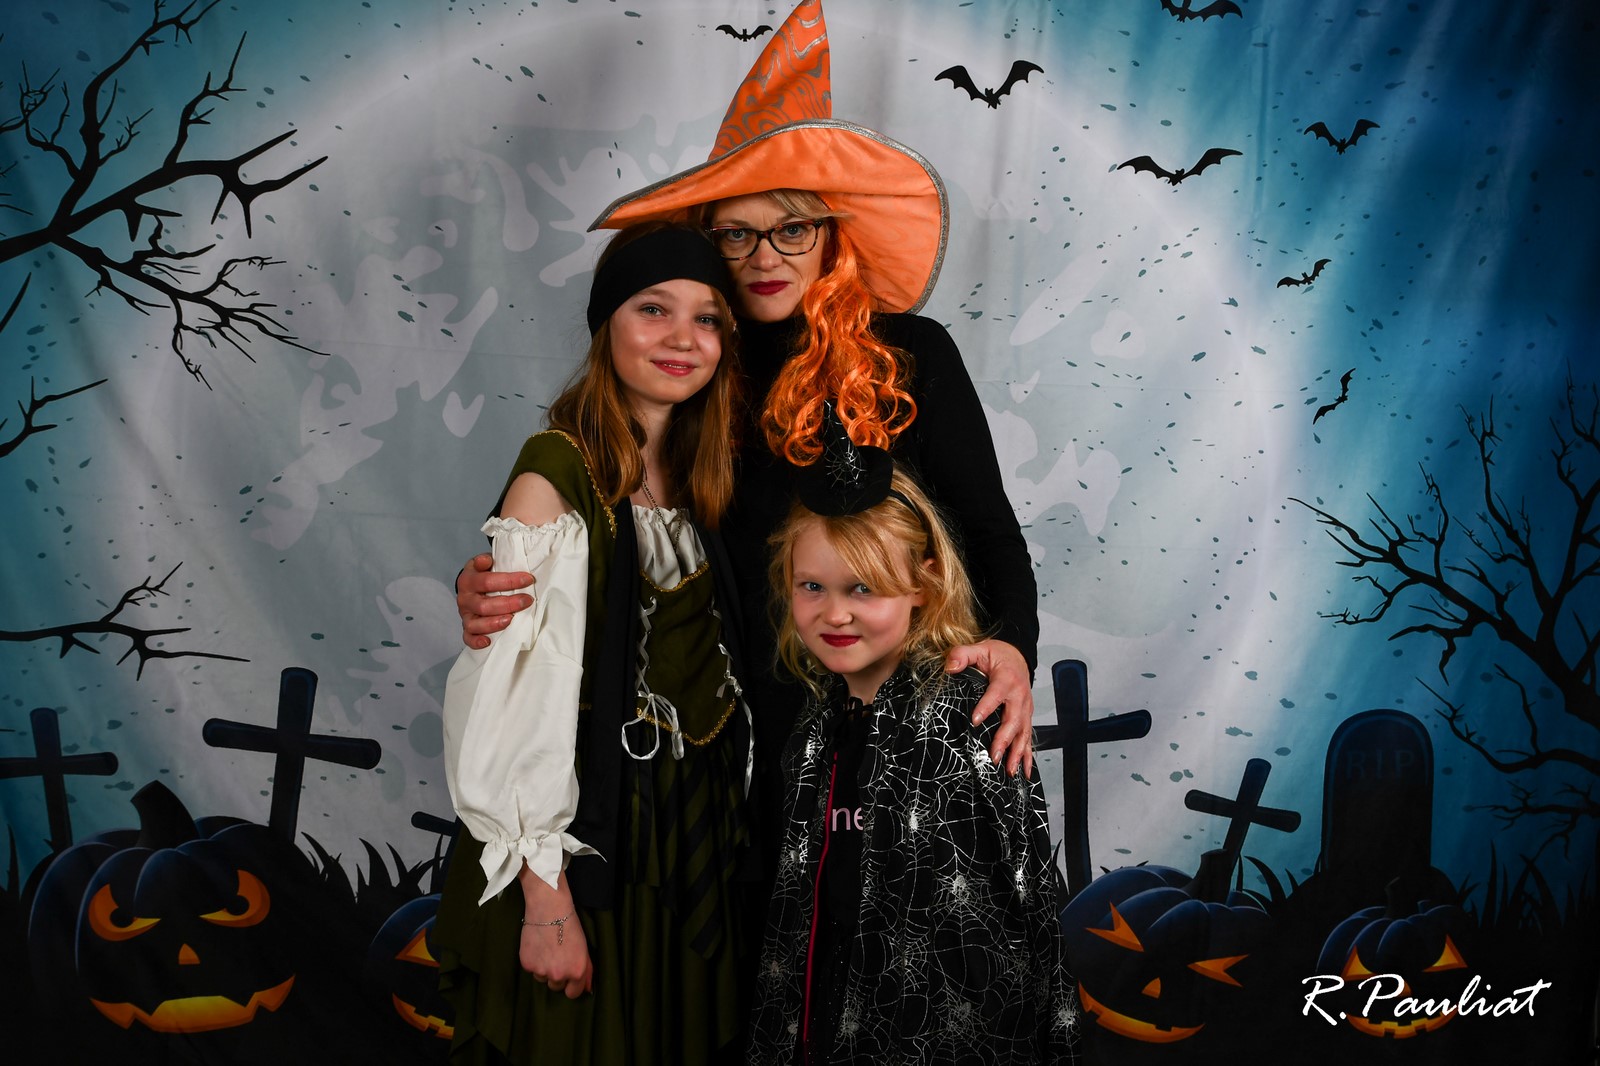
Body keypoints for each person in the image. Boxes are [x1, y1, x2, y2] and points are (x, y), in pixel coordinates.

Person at [456, 5, 1041, 837]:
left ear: (830, 237)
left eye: (791, 228)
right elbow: (586, 507)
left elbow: (990, 534)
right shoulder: (690, 370)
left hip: (904, 731)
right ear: (711, 243)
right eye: (737, 234)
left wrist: (1013, 646)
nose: (766, 257)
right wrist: (492, 578)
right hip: (736, 748)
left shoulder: (910, 354)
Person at [432, 222, 755, 1065]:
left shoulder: (704, 471)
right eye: (653, 309)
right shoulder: (555, 473)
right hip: (592, 836)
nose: (682, 338)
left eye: (708, 318)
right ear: (606, 322)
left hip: (689, 838)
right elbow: (511, 704)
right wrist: (546, 905)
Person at [745, 413, 1076, 1064]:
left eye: (862, 588)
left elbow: (1011, 925)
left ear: (922, 585)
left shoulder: (967, 718)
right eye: (812, 587)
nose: (835, 613)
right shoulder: (812, 728)